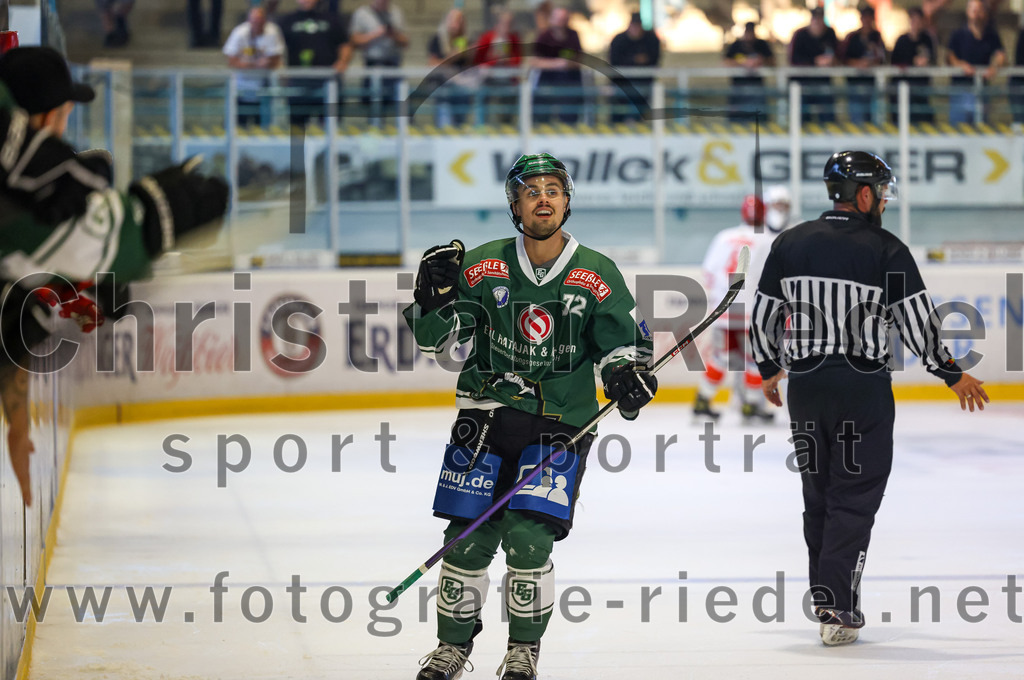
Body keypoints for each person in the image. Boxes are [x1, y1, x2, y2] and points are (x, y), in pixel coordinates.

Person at [403, 152, 657, 680]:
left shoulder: (597, 272)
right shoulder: (482, 264)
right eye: (531, 190)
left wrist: (625, 378)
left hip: (561, 424)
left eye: (553, 190)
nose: (544, 198)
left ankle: (523, 650)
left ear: (566, 201)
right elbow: (435, 343)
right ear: (514, 204)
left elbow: (620, 349)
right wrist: (430, 299)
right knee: (465, 541)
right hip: (484, 416)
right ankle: (451, 648)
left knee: (529, 539)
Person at [749, 150, 989, 646]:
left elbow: (764, 313)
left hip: (807, 388)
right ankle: (837, 606)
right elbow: (917, 321)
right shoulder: (886, 249)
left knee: (818, 496)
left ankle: (828, 599)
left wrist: (770, 369)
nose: (883, 201)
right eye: (880, 192)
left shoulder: (789, 242)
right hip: (862, 390)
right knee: (854, 497)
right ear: (863, 194)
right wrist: (951, 373)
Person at [0, 46, 229, 507]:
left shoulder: (31, 212)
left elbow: (16, 324)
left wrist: (18, 426)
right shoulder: (36, 197)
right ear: (41, 117)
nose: (65, 128)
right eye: (63, 114)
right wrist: (142, 226)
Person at [692, 189, 789, 423]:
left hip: (723, 310)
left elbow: (708, 272)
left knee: (721, 358)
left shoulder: (724, 237)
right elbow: (774, 278)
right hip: (750, 310)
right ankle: (750, 405)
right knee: (754, 359)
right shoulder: (767, 239)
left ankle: (702, 401)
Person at [277, 0, 351, 127]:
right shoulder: (287, 20)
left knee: (329, 124)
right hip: (298, 81)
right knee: (297, 126)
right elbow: (277, 48)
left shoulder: (331, 19)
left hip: (326, 79)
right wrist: (282, 69)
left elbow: (345, 44)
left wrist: (342, 62)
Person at [223, 4, 285, 126]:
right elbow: (231, 60)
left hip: (263, 86)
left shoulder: (272, 31)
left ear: (265, 21)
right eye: (254, 21)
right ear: (249, 21)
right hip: (241, 85)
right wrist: (255, 65)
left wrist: (267, 63)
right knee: (240, 122)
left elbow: (276, 58)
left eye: (259, 21)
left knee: (261, 123)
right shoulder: (239, 32)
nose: (257, 24)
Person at [946, 0, 1005, 124]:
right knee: (959, 128)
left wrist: (994, 67)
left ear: (985, 13)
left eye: (979, 11)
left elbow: (1000, 54)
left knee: (980, 127)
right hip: (961, 89)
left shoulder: (991, 35)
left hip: (981, 89)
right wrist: (961, 65)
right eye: (974, 11)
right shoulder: (958, 34)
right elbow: (950, 56)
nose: (976, 14)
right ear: (968, 12)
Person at [349, 0, 409, 118]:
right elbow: (354, 41)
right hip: (372, 63)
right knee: (372, 104)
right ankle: (374, 125)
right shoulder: (362, 13)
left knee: (399, 102)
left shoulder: (396, 12)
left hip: (392, 64)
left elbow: (406, 42)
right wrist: (375, 34)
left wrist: (393, 34)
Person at [608, 12, 661, 123]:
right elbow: (614, 62)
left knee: (637, 95)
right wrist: (634, 60)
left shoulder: (651, 39)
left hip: (643, 83)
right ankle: (627, 121)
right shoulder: (619, 40)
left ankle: (631, 121)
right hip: (621, 83)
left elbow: (654, 60)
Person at [533, 7, 583, 124]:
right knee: (542, 115)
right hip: (548, 83)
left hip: (569, 83)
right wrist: (556, 64)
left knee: (569, 115)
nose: (560, 23)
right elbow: (534, 61)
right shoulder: (544, 37)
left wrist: (568, 64)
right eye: (558, 19)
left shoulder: (573, 35)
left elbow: (580, 59)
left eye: (563, 19)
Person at [473, 8, 522, 125]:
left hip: (507, 77)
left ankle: (506, 123)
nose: (507, 26)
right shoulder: (487, 38)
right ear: (498, 23)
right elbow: (478, 60)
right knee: (482, 92)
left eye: (510, 23)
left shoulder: (514, 39)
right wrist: (494, 59)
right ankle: (482, 123)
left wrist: (507, 59)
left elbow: (518, 60)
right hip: (489, 77)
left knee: (512, 94)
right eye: (505, 23)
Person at [789, 7, 838, 123]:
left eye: (820, 19)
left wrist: (831, 61)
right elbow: (793, 59)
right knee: (802, 119)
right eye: (815, 19)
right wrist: (815, 61)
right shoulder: (800, 35)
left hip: (824, 82)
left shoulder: (830, 33)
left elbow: (838, 55)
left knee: (827, 118)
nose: (818, 22)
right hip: (803, 83)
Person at [427, 8, 473, 127]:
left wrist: (469, 55)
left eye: (460, 22)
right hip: (443, 87)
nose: (457, 25)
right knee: (445, 123)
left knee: (460, 124)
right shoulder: (438, 39)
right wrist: (452, 57)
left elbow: (468, 67)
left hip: (461, 90)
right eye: (455, 21)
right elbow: (432, 64)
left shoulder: (465, 41)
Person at [890, 6, 936, 124]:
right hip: (903, 90)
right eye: (913, 19)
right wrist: (912, 62)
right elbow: (894, 63)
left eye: (919, 20)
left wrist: (926, 62)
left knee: (923, 121)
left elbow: (933, 60)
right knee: (902, 120)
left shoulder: (927, 39)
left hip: (921, 90)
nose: (916, 23)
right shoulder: (901, 41)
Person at [840, 7, 886, 123]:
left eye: (869, 17)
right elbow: (843, 58)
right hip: (855, 83)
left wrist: (870, 63)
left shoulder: (877, 37)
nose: (867, 20)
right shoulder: (852, 37)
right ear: (861, 18)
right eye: (865, 17)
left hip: (873, 83)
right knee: (857, 118)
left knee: (875, 118)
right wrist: (857, 63)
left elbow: (883, 58)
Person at [723, 20, 775, 122]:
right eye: (748, 32)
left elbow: (772, 62)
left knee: (758, 118)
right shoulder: (736, 45)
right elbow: (726, 62)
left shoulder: (762, 44)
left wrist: (760, 60)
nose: (749, 35)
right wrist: (743, 62)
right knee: (737, 117)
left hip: (757, 87)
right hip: (738, 86)